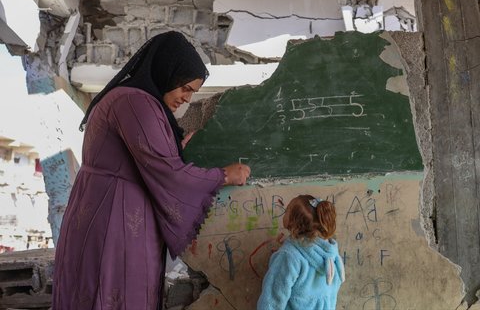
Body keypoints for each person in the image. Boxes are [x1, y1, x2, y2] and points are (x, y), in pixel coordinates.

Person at [52, 31, 251, 310]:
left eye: (192, 92)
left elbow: (144, 155)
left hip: (103, 208)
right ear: (167, 72)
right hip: (114, 218)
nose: (187, 98)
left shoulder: (129, 97)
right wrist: (224, 175)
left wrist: (173, 146)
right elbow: (167, 171)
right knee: (114, 289)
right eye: (185, 88)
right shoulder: (136, 102)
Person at [257, 195, 345, 310]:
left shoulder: (288, 256)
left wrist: (283, 254)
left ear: (293, 222)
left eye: (287, 210)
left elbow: (272, 301)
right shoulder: (332, 257)